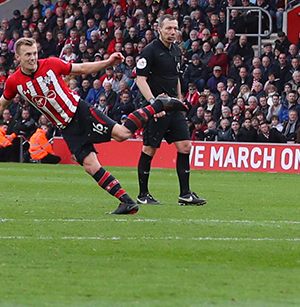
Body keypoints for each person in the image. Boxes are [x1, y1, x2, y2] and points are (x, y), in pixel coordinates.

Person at [0, 38, 186, 214]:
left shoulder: (50, 63)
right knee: (90, 166)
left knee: (122, 134)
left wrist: (108, 62)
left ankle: (158, 105)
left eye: (34, 53)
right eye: (27, 55)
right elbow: (3, 103)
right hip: (67, 128)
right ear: (17, 58)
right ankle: (127, 202)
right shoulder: (14, 82)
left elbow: (81, 68)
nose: (33, 58)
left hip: (80, 112)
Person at [134, 15, 205, 206]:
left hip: (173, 108)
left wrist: (180, 102)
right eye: (169, 28)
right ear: (159, 29)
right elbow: (140, 79)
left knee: (185, 147)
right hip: (156, 110)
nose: (173, 32)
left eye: (175, 28)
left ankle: (185, 194)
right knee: (149, 149)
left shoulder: (176, 50)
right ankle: (143, 194)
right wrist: (152, 104)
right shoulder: (150, 51)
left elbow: (176, 78)